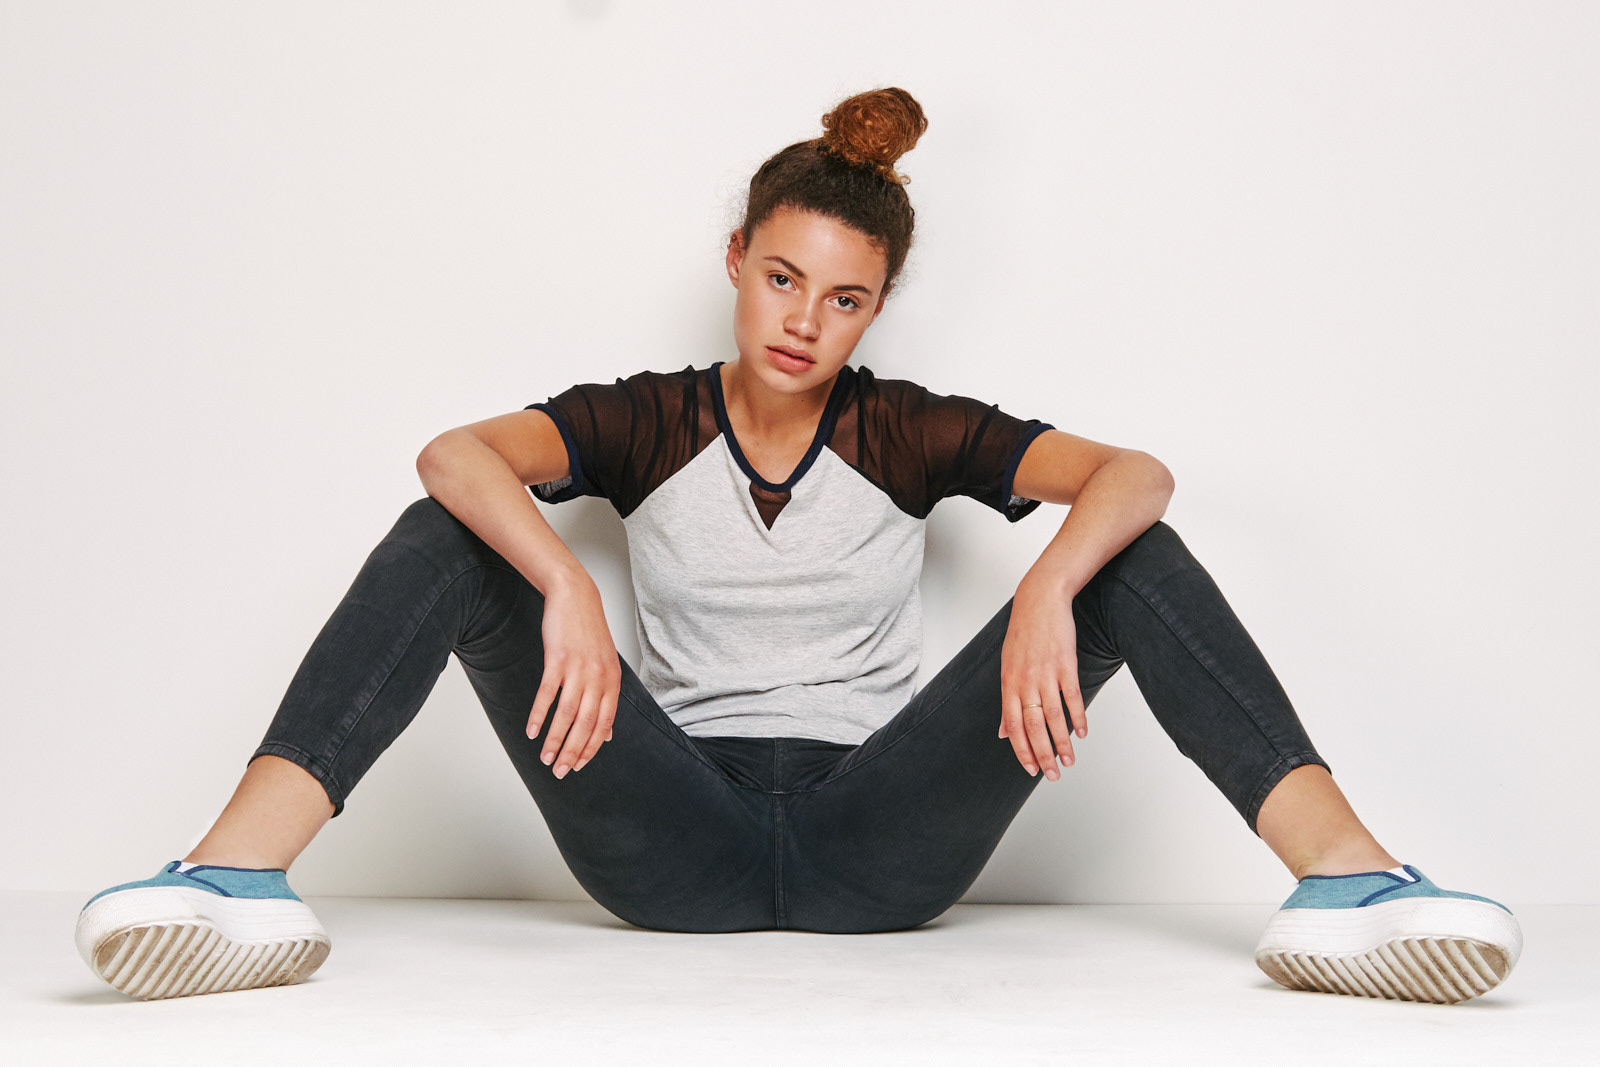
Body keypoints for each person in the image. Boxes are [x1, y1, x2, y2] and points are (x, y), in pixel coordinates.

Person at [75, 87, 1521, 1005]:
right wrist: (565, 578)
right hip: (671, 835)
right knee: (447, 533)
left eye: (843, 300)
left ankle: (1350, 885)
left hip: (881, 839)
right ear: (736, 261)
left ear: (874, 310)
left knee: (1127, 549)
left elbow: (1134, 475)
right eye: (781, 278)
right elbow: (455, 454)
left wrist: (1046, 589)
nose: (802, 322)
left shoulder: (907, 429)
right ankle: (233, 881)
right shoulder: (646, 419)